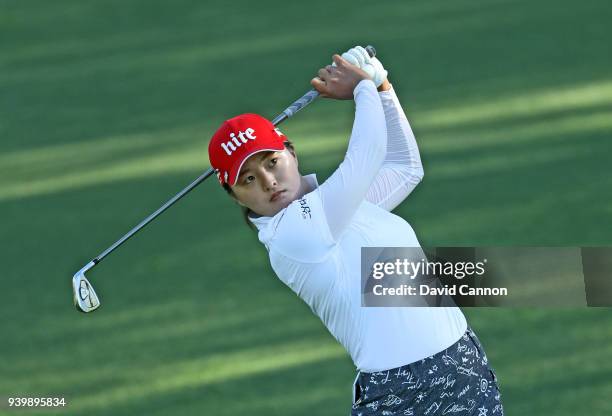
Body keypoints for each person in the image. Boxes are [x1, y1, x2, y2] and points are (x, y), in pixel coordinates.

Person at [208, 46, 504, 415]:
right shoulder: (290, 234)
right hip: (404, 391)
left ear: (291, 152)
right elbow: (365, 156)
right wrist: (362, 88)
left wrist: (383, 89)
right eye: (248, 179)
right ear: (235, 196)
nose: (268, 182)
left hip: (462, 365)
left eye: (272, 162)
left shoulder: (339, 208)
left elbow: (403, 169)